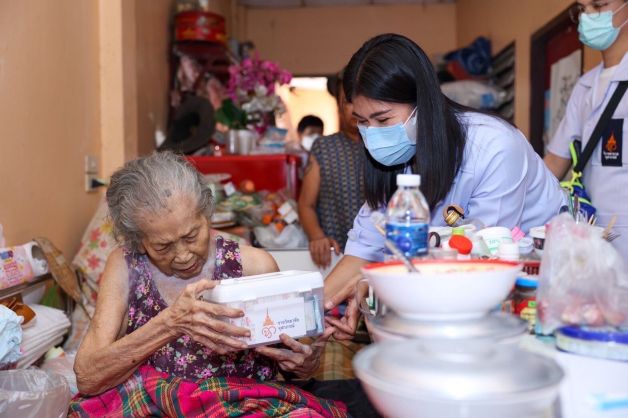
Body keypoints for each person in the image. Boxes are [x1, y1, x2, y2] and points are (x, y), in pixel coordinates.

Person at [70, 151, 358, 417]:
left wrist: (303, 362)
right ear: (138, 241)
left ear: (207, 214)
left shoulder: (253, 266)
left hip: (240, 404)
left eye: (192, 236)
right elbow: (88, 377)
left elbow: (296, 365)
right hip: (155, 403)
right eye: (162, 246)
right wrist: (169, 324)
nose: (183, 255)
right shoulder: (125, 265)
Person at [323, 33, 566, 337]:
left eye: (383, 120)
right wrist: (308, 315)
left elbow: (481, 261)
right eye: (362, 121)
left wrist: (379, 284)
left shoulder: (493, 146)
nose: (372, 135)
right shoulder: (397, 159)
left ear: (422, 104)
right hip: (454, 295)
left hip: (540, 290)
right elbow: (363, 250)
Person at [545, 0, 628, 259]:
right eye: (582, 8)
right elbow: (554, 163)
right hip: (591, 239)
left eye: (598, 5)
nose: (588, 16)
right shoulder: (584, 86)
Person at [298, 73, 365, 269]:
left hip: (384, 254)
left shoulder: (387, 147)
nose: (356, 108)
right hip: (337, 256)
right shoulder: (324, 147)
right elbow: (306, 204)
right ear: (339, 105)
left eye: (362, 99)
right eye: (349, 101)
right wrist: (317, 236)